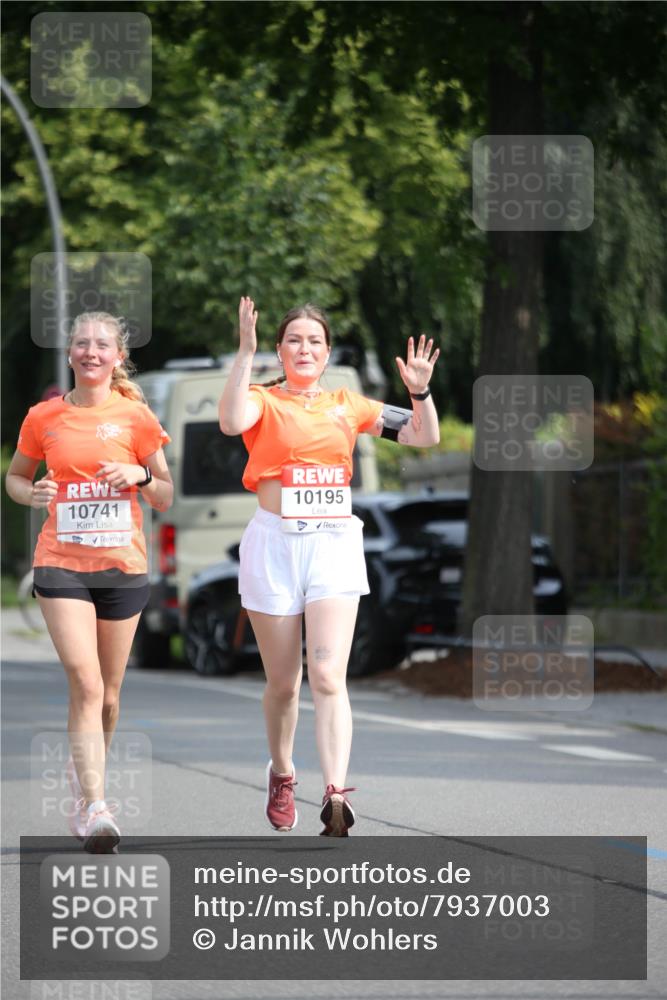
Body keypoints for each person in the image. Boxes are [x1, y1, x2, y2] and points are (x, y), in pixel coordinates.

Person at [219, 296, 440, 836]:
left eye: (314, 340)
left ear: (327, 351)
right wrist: (244, 353)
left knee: (326, 674)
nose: (304, 348)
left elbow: (423, 434)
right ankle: (283, 771)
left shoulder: (350, 403)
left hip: (333, 544)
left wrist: (420, 390)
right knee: (283, 684)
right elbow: (229, 422)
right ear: (278, 350)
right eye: (293, 339)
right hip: (274, 545)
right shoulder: (261, 400)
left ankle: (336, 792)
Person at [5, 311, 173, 852]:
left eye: (102, 344)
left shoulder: (136, 418)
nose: (91, 352)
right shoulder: (44, 417)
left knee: (110, 697)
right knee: (87, 681)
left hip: (122, 566)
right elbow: (16, 476)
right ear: (70, 354)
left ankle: (86, 787)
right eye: (82, 344)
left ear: (117, 357)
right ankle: (95, 806)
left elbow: (165, 493)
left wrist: (140, 475)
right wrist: (31, 494)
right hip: (61, 563)